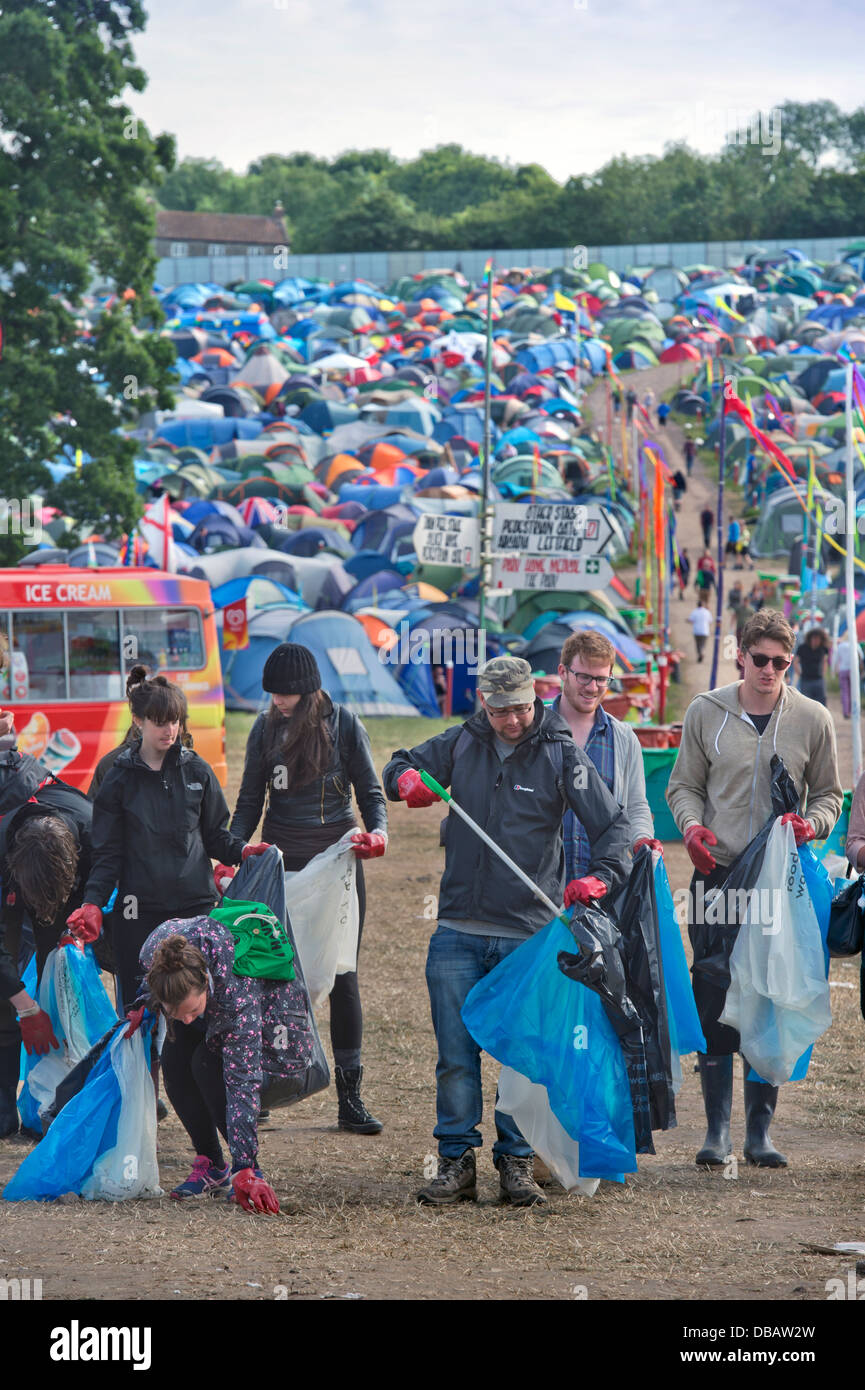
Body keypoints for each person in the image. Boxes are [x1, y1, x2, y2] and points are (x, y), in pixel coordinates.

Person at [382, 656, 631, 1208]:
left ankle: (516, 1163)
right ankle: (455, 1161)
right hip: (457, 926)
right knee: (454, 1052)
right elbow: (397, 765)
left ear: (534, 698)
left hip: (528, 932)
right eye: (500, 711)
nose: (513, 721)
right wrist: (403, 781)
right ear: (483, 705)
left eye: (521, 708)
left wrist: (599, 877)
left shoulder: (561, 752)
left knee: (522, 1054)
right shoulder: (461, 742)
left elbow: (612, 825)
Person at [666, 609, 842, 1170]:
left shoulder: (812, 718)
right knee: (714, 993)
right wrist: (692, 828)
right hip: (716, 874)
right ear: (739, 654)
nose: (769, 670)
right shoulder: (705, 710)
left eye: (780, 663)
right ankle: (716, 1132)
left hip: (779, 881)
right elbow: (683, 786)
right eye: (760, 659)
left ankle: (758, 1135)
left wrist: (811, 825)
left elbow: (830, 796)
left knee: (769, 992)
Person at [230, 642, 388, 1135]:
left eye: (286, 693)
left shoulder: (344, 724)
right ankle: (263, 1090)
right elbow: (250, 799)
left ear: (308, 690)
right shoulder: (263, 728)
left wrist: (377, 833)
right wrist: (231, 851)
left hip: (338, 863)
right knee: (269, 976)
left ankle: (350, 1098)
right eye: (272, 691)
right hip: (281, 865)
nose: (277, 699)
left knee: (343, 976)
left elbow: (370, 792)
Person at [66, 668, 268, 1016]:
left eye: (174, 721)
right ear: (138, 720)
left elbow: (217, 836)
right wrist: (93, 903)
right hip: (138, 912)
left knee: (197, 1013)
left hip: (196, 907)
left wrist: (243, 850)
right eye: (160, 721)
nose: (169, 730)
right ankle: (146, 1071)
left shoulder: (198, 771)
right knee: (137, 1014)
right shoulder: (117, 779)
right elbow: (107, 855)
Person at [133, 919, 306, 1210]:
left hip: (269, 1014)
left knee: (206, 1064)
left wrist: (245, 1164)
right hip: (207, 995)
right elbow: (150, 988)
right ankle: (212, 1165)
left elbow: (243, 1081)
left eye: (192, 1010)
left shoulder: (236, 996)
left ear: (206, 984)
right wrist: (143, 1005)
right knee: (174, 1058)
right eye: (175, 1012)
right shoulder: (154, 954)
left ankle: (247, 1169)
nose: (186, 1019)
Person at [0, 778, 95, 1138]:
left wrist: (85, 921)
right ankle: (6, 1099)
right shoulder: (3, 847)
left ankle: (93, 1075)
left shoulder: (91, 829)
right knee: (7, 988)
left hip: (77, 891)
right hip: (17, 881)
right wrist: (25, 1006)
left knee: (67, 981)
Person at [554, 632, 661, 885]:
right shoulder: (536, 732)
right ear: (562, 672)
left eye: (602, 679)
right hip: (544, 892)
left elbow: (635, 804)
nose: (592, 688)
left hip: (602, 889)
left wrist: (642, 840)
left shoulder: (623, 738)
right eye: (584, 677)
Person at [793, 626, 831, 706]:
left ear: (821, 640)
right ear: (810, 638)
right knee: (806, 703)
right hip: (806, 680)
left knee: (822, 703)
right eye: (814, 638)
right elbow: (796, 661)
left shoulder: (823, 649)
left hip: (819, 680)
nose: (816, 640)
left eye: (818, 638)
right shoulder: (802, 648)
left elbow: (825, 661)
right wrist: (799, 673)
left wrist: (823, 673)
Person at [833, 635, 864, 719]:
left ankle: (846, 712)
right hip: (853, 670)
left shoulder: (840, 646)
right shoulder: (855, 645)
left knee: (845, 692)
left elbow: (836, 659)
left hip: (843, 670)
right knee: (853, 691)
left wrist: (835, 670)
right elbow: (861, 657)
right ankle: (853, 710)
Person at [688, 598, 713, 663]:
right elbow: (710, 621)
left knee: (698, 644)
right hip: (705, 630)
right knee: (703, 644)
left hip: (696, 631)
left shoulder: (695, 611)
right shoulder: (707, 612)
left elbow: (691, 620)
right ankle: (702, 652)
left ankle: (700, 653)